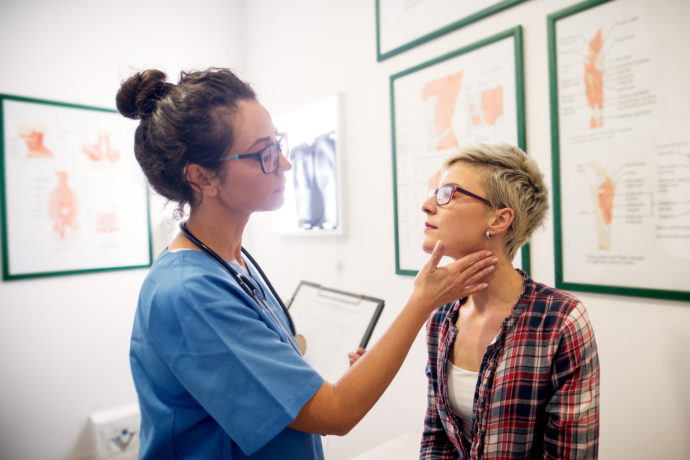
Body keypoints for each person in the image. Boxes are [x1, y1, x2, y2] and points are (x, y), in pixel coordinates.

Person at [116, 67, 497, 459]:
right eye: (264, 153)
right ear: (202, 177)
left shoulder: (231, 260)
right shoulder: (188, 294)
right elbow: (334, 413)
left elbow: (282, 385)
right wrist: (422, 301)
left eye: (279, 144)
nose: (285, 164)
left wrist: (345, 375)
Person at [419, 144, 600, 459]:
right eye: (435, 192)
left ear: (499, 220)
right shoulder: (441, 317)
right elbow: (437, 439)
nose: (427, 205)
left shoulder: (561, 321)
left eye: (448, 193)